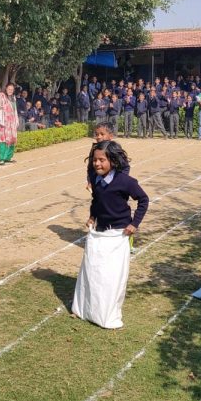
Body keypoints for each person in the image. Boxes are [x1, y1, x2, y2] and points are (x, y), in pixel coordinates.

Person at [72, 140, 149, 329]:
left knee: (111, 275)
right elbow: (96, 200)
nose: (97, 164)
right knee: (94, 270)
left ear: (113, 161)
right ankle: (87, 308)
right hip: (101, 232)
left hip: (119, 234)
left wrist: (134, 224)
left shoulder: (125, 181)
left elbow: (143, 199)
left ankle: (106, 312)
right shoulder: (95, 178)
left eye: (102, 160)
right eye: (94, 160)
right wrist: (92, 216)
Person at [0, 83, 19, 166]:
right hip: (3, 122)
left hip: (12, 121)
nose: (10, 91)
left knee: (12, 139)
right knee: (3, 140)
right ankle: (2, 158)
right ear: (5, 88)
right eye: (9, 89)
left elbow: (15, 110)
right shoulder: (0, 96)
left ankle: (8, 157)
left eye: (12, 89)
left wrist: (16, 120)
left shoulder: (13, 98)